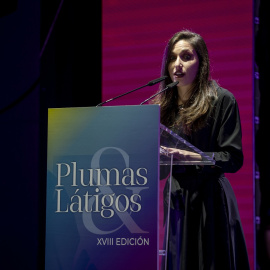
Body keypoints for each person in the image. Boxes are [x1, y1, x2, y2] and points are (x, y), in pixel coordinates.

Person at [150, 30, 250, 269]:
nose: (177, 64)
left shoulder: (222, 100)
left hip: (211, 199)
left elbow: (233, 158)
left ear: (201, 62)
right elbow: (161, 172)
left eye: (186, 57)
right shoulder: (162, 108)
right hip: (176, 199)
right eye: (173, 58)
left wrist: (189, 156)